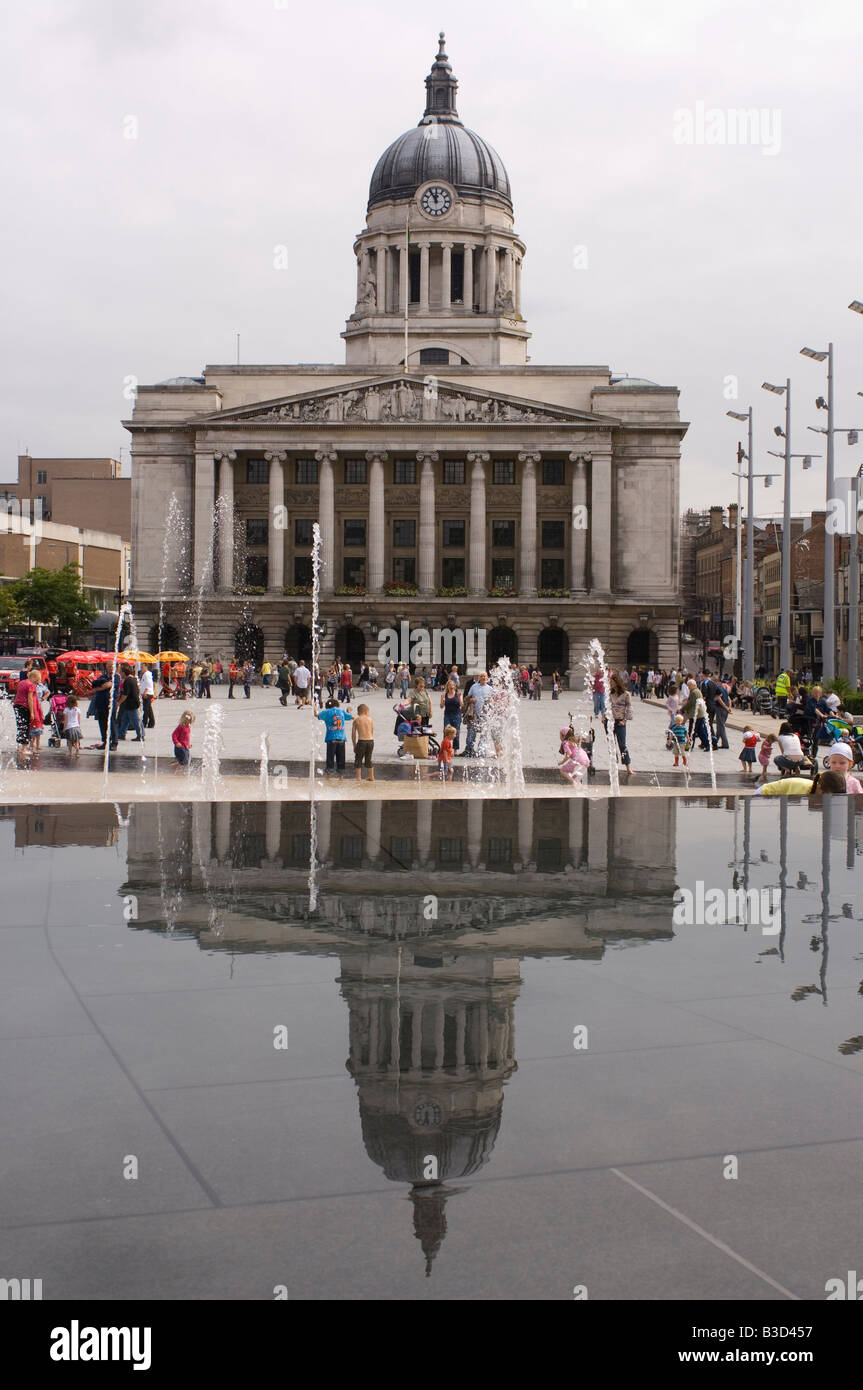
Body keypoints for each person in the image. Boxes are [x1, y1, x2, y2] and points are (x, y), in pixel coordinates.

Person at [317, 696, 352, 781]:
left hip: (331, 739)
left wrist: (314, 706)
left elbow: (316, 715)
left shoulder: (327, 712)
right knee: (341, 758)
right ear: (337, 705)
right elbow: (350, 717)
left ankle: (328, 777)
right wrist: (349, 710)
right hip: (341, 739)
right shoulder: (342, 711)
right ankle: (341, 777)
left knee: (330, 758)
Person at [460, 672, 493, 756]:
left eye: (484, 676)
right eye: (481, 676)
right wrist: (471, 699)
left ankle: (481, 750)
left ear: (487, 678)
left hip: (484, 714)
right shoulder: (474, 687)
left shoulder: (490, 688)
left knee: (484, 733)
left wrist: (490, 701)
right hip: (473, 713)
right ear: (479, 678)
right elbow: (467, 697)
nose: (482, 678)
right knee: (471, 731)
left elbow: (493, 701)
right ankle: (469, 749)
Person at [609, 673, 635, 776]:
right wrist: (603, 716)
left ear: (616, 682)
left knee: (622, 745)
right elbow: (605, 706)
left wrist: (625, 720)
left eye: (611, 682)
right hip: (609, 721)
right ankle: (614, 766)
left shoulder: (626, 694)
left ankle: (628, 767)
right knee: (611, 745)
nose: (610, 683)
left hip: (620, 721)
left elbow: (629, 708)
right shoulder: (609, 693)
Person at [755, 769, 846, 798]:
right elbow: (792, 807)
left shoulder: (814, 790)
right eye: (827, 795)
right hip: (764, 794)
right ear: (820, 787)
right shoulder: (802, 790)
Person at [12, 665, 38, 763]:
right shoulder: (31, 685)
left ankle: (19, 747)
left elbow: (17, 694)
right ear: (34, 678)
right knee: (26, 727)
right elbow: (30, 699)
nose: (36, 683)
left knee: (20, 726)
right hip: (24, 707)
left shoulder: (21, 682)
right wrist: (32, 712)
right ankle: (24, 749)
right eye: (36, 681)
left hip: (17, 706)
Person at [116, 665, 143, 742]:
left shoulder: (127, 681)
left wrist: (118, 703)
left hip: (131, 704)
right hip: (130, 703)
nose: (120, 673)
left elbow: (125, 694)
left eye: (121, 672)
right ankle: (121, 734)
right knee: (125, 720)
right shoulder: (133, 679)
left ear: (124, 673)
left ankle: (140, 735)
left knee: (136, 720)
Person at [351, 703, 375, 781]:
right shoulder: (370, 719)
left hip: (361, 741)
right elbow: (372, 731)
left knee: (358, 759)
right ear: (366, 711)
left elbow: (353, 734)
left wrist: (354, 745)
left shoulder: (357, 720)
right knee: (369, 758)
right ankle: (371, 776)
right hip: (370, 741)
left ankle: (358, 777)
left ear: (358, 712)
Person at [440, 679, 463, 751]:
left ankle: (455, 749)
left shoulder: (458, 694)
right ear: (447, 686)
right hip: (447, 715)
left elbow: (462, 705)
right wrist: (443, 701)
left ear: (455, 686)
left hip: (456, 715)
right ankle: (446, 748)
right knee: (446, 731)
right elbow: (441, 706)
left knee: (456, 732)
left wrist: (459, 698)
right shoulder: (444, 695)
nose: (451, 686)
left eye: (452, 685)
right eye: (450, 685)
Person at [61, 694, 81, 760]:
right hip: (76, 727)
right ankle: (77, 751)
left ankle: (70, 752)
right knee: (77, 741)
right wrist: (79, 726)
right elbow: (79, 720)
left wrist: (64, 728)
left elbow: (65, 720)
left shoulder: (66, 710)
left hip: (69, 727)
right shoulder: (77, 709)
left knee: (69, 741)